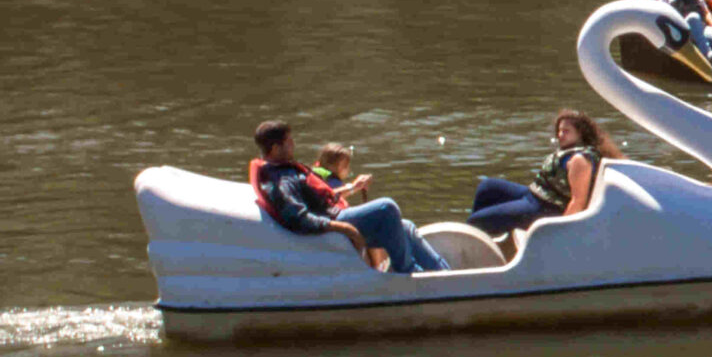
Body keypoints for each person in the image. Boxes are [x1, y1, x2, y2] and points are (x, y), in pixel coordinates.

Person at [250, 120, 446, 274]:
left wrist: (352, 188)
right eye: (289, 141)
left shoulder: (282, 171)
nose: (294, 144)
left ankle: (445, 275)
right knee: (387, 207)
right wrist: (341, 227)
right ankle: (409, 273)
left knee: (406, 227)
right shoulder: (281, 179)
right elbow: (297, 216)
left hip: (332, 214)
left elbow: (318, 196)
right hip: (332, 221)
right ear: (276, 148)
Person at [466, 110, 622, 237]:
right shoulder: (569, 151)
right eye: (559, 131)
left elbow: (578, 202)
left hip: (545, 208)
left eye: (566, 131)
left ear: (580, 134)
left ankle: (473, 236)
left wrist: (561, 233)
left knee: (475, 222)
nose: (560, 135)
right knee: (487, 187)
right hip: (533, 195)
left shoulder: (579, 160)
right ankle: (481, 240)